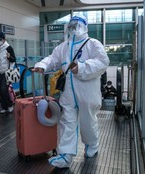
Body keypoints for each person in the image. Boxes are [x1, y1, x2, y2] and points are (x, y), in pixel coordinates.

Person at [33, 15, 110, 168]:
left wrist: (81, 67)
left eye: (77, 25)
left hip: (87, 92)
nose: (74, 28)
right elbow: (53, 59)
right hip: (68, 93)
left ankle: (92, 144)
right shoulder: (63, 46)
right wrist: (42, 65)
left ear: (85, 27)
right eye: (72, 25)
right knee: (67, 121)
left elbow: (103, 62)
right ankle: (65, 155)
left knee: (87, 121)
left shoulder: (93, 44)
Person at [0, 31, 15, 114]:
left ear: (4, 39)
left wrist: (9, 58)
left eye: (0, 39)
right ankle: (4, 107)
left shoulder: (9, 48)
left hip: (6, 72)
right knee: (0, 90)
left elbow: (14, 60)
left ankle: (10, 105)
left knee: (4, 90)